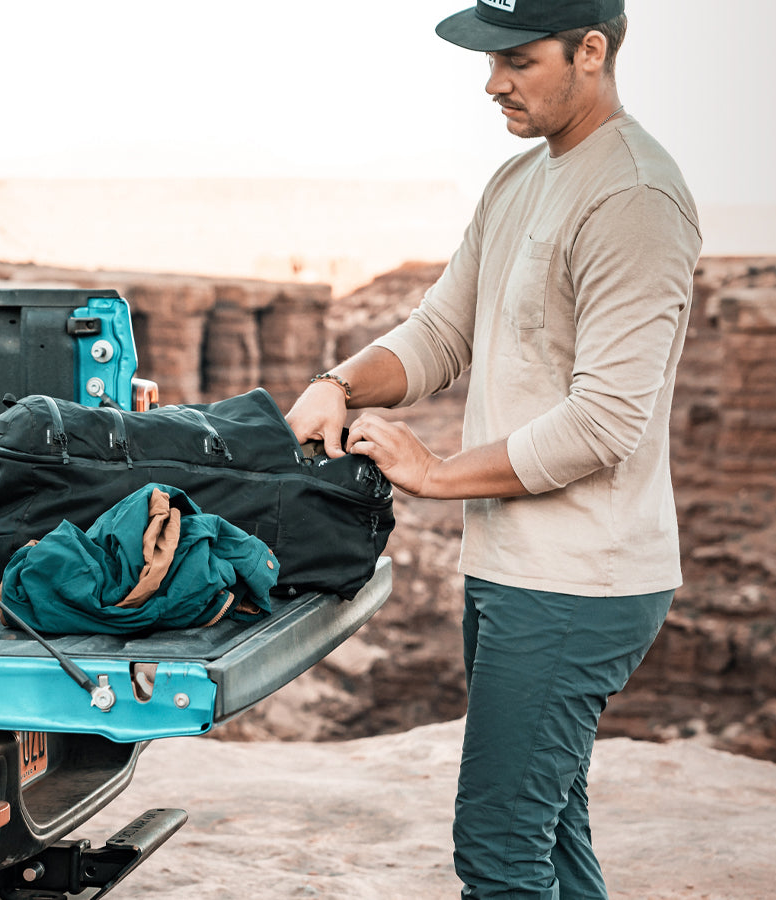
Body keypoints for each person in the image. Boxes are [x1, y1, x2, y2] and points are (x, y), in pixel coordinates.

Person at [282, 1, 700, 896]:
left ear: (591, 51)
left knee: (501, 849)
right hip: (517, 570)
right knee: (548, 834)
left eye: (518, 58)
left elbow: (604, 421)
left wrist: (433, 473)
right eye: (490, 57)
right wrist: (339, 382)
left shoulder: (634, 196)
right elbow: (441, 332)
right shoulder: (520, 182)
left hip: (579, 583)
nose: (492, 81)